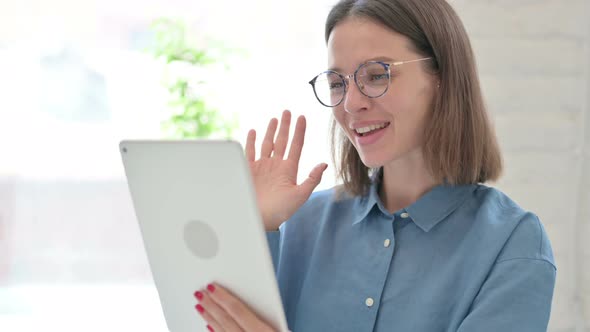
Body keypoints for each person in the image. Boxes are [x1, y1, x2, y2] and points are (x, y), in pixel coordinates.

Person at [191, 0, 556, 331]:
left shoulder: (512, 244)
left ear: (441, 76)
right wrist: (254, 229)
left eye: (377, 75)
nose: (351, 103)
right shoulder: (296, 225)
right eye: (337, 83)